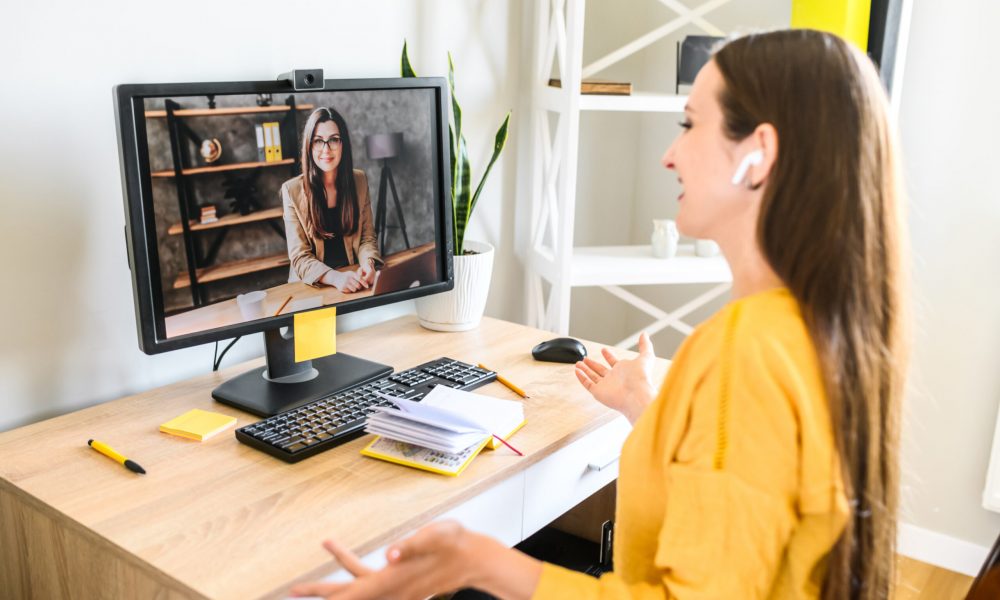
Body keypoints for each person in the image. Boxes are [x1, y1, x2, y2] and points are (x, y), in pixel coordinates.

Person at [289, 29, 908, 600]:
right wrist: (654, 413)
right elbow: (746, 506)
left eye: (689, 124)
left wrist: (477, 560)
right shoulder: (816, 328)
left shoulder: (747, 347)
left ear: (758, 154)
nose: (669, 155)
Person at [282, 107, 382, 292]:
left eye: (334, 139)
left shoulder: (359, 180)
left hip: (352, 276)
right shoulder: (291, 190)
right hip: (313, 285)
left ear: (343, 143)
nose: (326, 149)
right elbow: (300, 257)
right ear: (309, 146)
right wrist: (335, 278)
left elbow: (367, 238)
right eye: (318, 141)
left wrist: (368, 264)